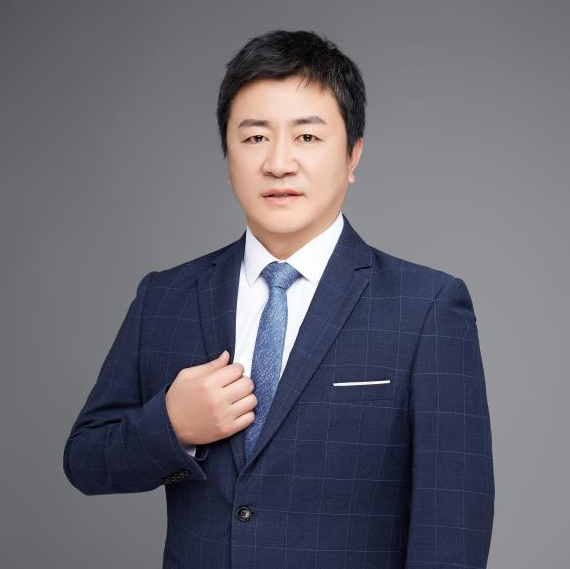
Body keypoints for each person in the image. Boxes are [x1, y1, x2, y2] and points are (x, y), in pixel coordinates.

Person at [63, 29, 495, 569]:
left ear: (353, 155)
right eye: (255, 138)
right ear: (228, 158)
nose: (279, 163)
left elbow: (453, 522)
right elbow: (86, 460)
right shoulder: (166, 297)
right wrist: (171, 427)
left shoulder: (426, 307)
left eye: (307, 137)